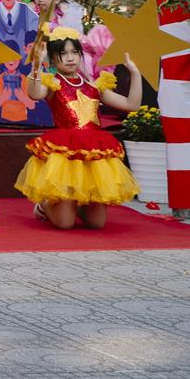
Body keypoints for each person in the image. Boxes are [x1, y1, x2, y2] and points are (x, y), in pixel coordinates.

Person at [16, 29, 143, 229]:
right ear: (53, 57)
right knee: (65, 224)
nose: (70, 58)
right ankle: (45, 206)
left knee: (97, 223)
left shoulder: (95, 86)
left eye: (74, 52)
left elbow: (131, 104)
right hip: (65, 155)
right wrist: (37, 66)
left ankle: (75, 206)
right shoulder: (53, 84)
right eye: (63, 53)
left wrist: (135, 73)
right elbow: (34, 94)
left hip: (93, 154)